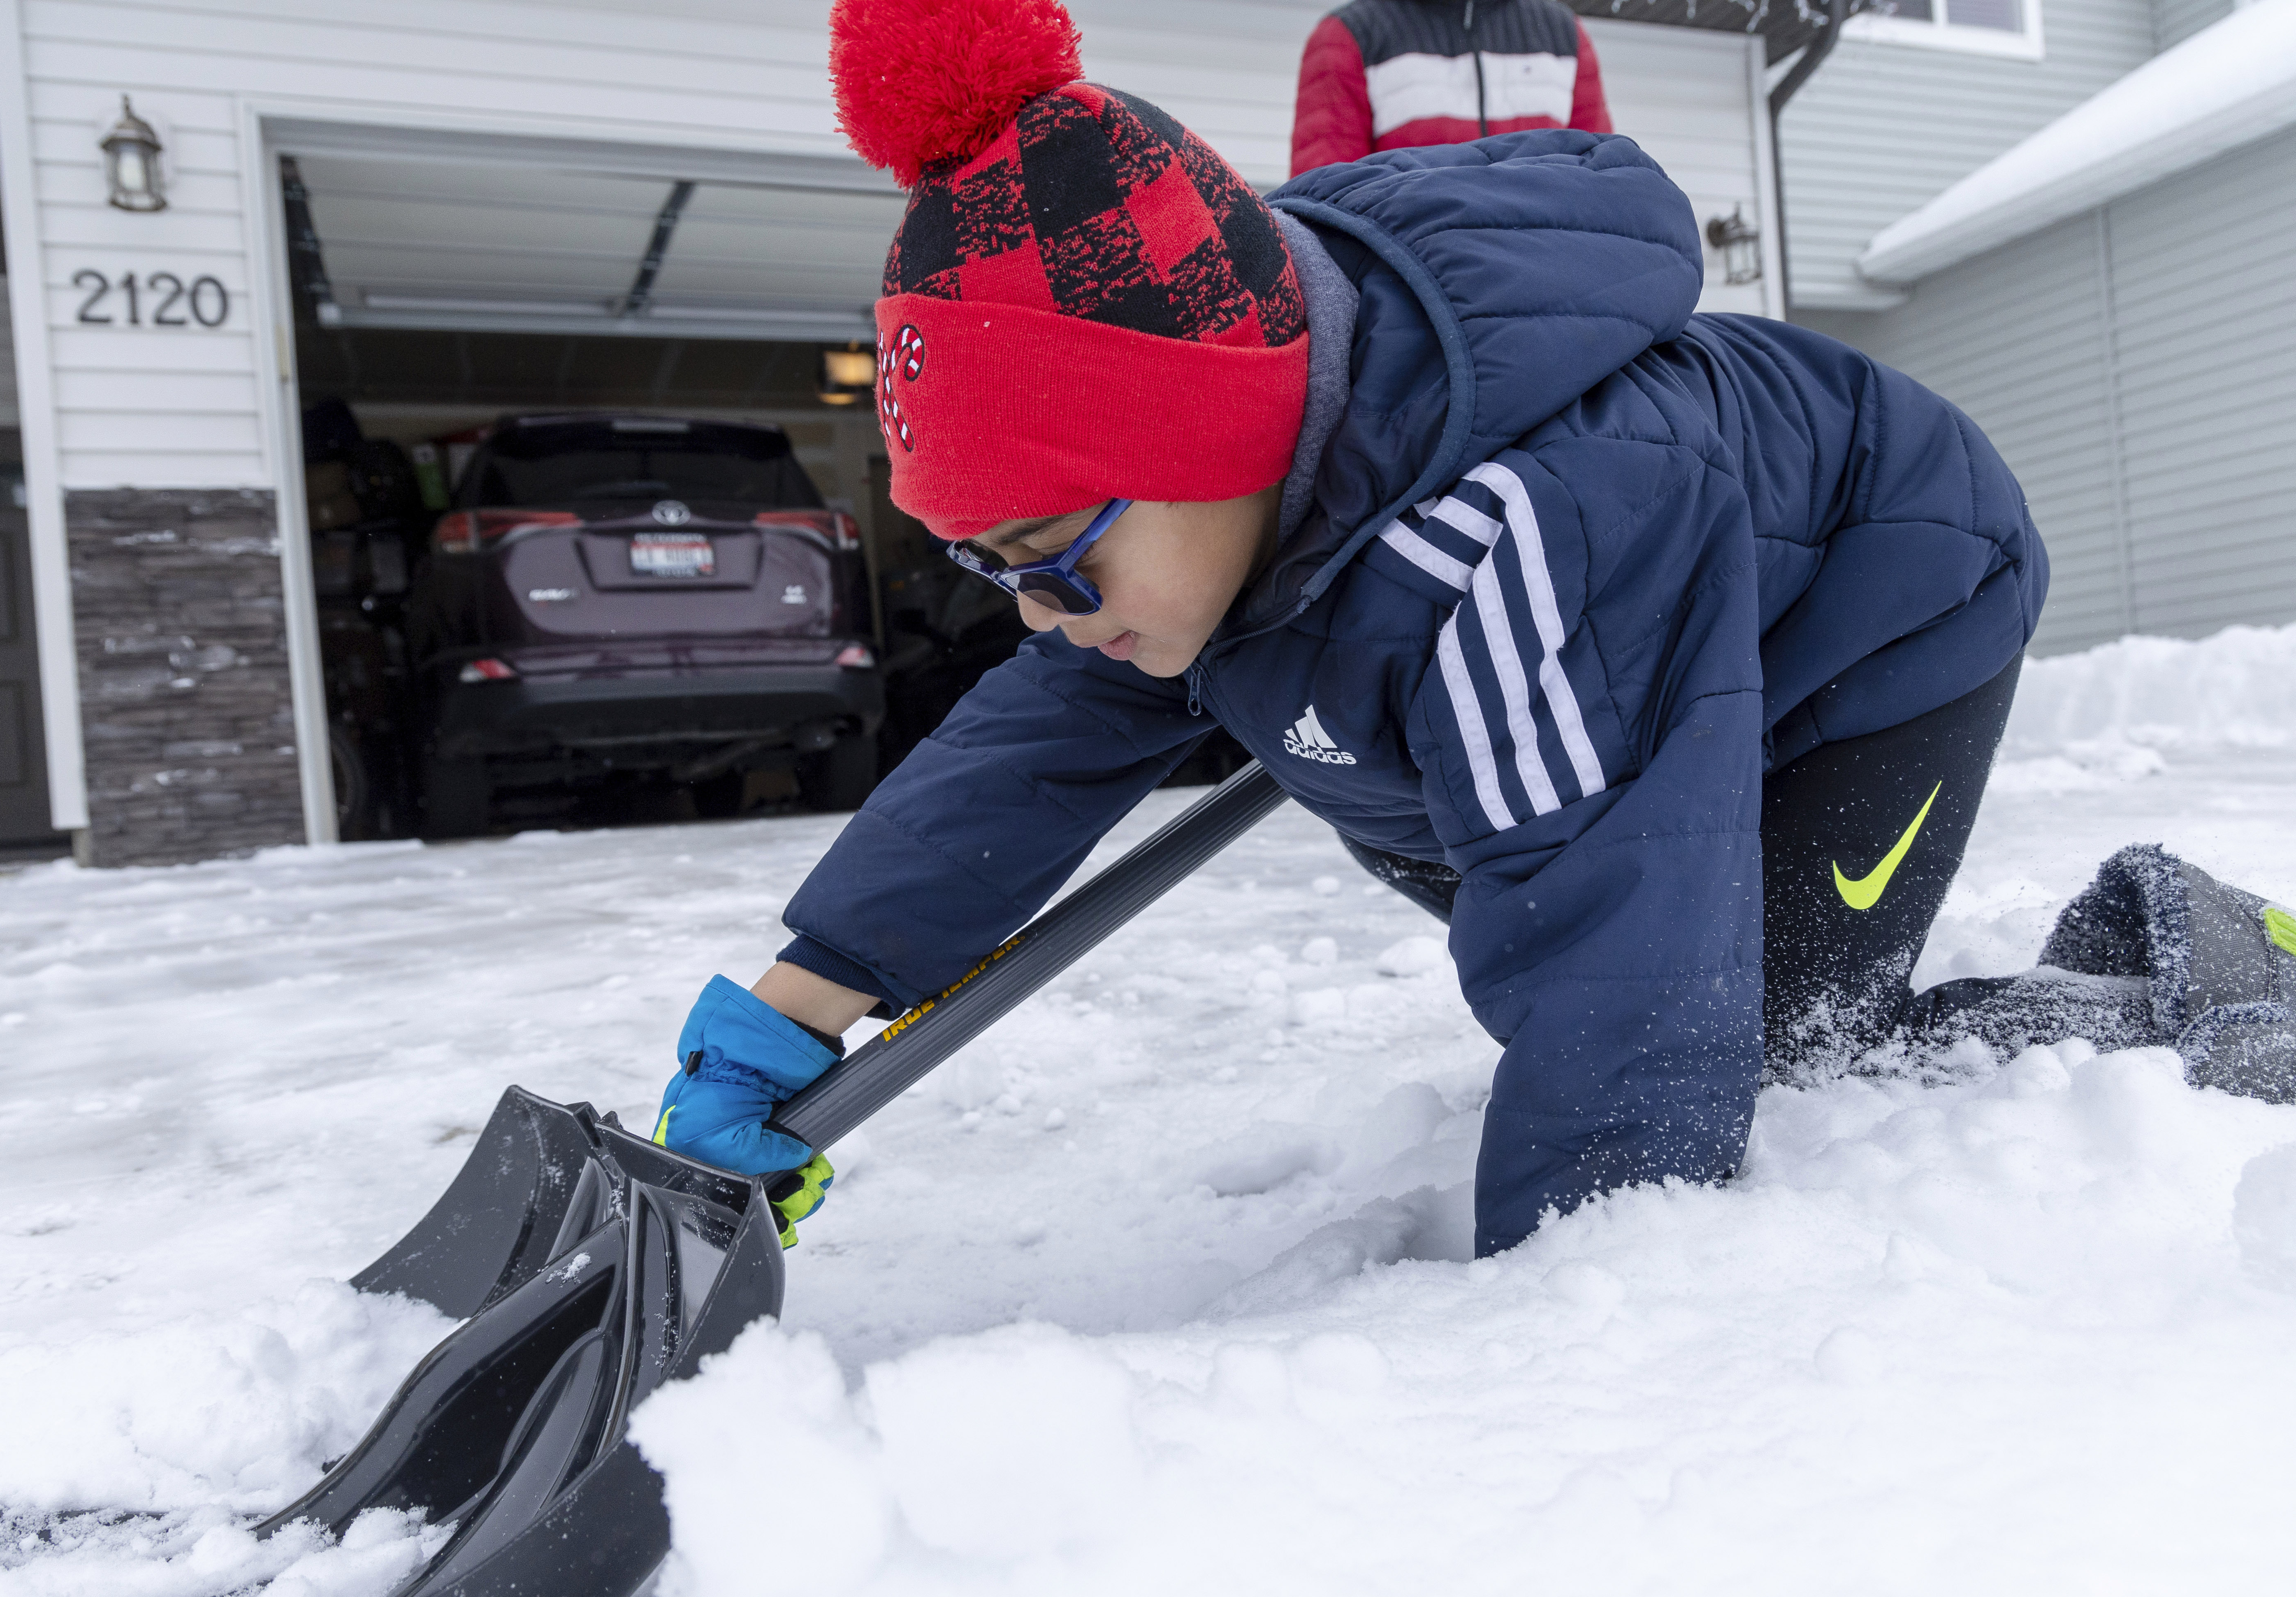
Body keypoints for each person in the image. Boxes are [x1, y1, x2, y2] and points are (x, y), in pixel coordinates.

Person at [654, 0, 2296, 1256]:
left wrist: (1562, 1317)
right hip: (1649, 627)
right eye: (994, 568)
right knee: (1540, 834)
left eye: (1055, 562)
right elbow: (1032, 750)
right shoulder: (1207, 522)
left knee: (1786, 1050)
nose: (1036, 610)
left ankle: (2177, 972)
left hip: (1879, 618)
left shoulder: (1520, 535)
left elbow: (1624, 956)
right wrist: (801, 1001)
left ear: (1218, 446)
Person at [1290, 0, 1613, 178]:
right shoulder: (1349, 36)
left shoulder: (1564, 35)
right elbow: (1325, 205)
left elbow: (1605, 181)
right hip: (1410, 291)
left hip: (1548, 288)